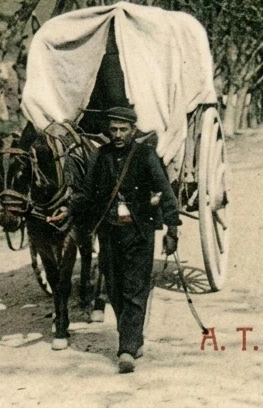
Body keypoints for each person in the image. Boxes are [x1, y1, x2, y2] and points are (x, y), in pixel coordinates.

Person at [68, 105, 180, 373]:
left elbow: (165, 192)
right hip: (109, 232)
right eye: (113, 129)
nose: (117, 134)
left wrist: (172, 229)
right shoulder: (100, 155)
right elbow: (86, 192)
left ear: (133, 130)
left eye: (123, 129)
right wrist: (68, 209)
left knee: (134, 288)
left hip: (139, 231)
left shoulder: (145, 155)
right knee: (115, 289)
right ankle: (134, 336)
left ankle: (126, 349)